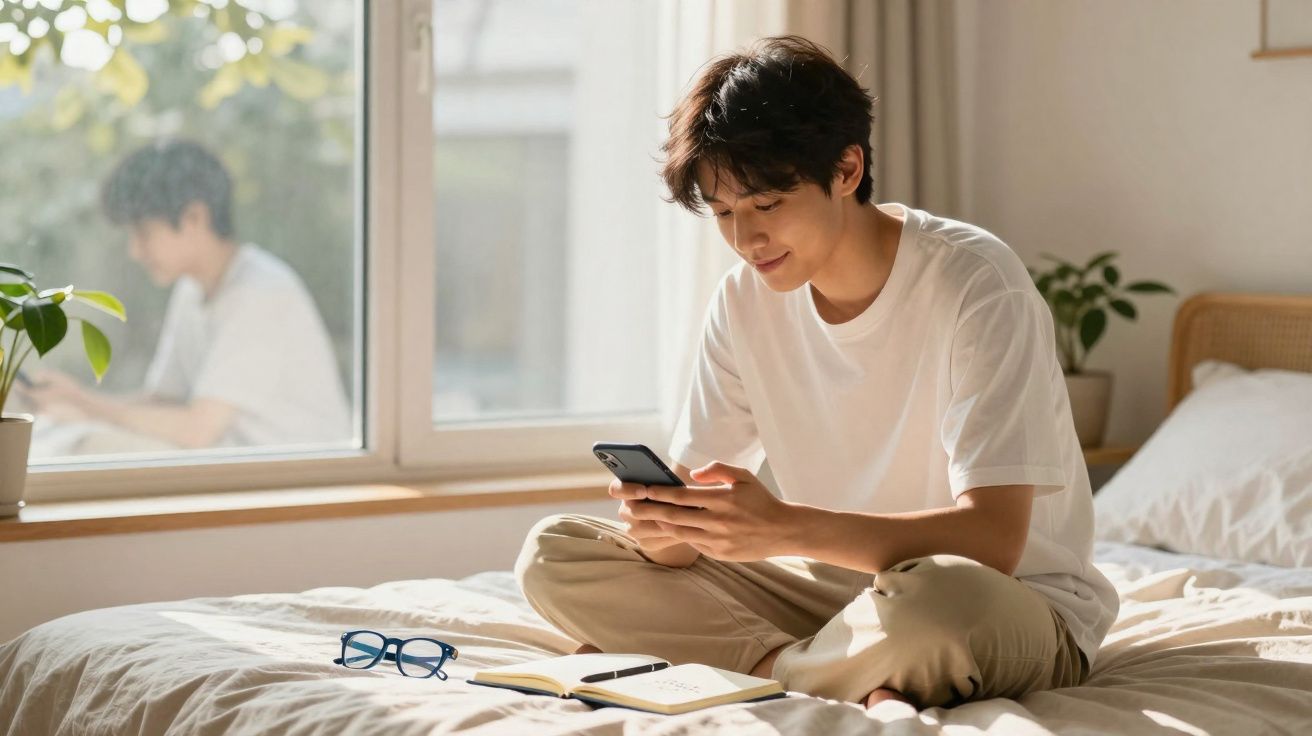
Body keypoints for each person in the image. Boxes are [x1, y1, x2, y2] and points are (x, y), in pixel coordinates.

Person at [514, 36, 1118, 710]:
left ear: (848, 168)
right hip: (832, 591)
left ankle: (749, 663)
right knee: (555, 554)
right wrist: (667, 528)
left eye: (766, 206)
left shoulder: (976, 282)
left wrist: (779, 528)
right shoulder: (743, 302)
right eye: (723, 214)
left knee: (938, 602)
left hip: (1005, 599)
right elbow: (688, 538)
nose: (746, 241)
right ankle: (808, 669)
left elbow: (994, 541)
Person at [24, 139, 350, 451]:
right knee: (65, 431)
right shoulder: (192, 290)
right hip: (233, 471)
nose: (136, 251)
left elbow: (197, 430)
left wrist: (85, 403)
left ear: (195, 217)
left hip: (298, 485)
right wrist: (72, 403)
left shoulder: (261, 293)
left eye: (144, 232)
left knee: (89, 445)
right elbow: (163, 402)